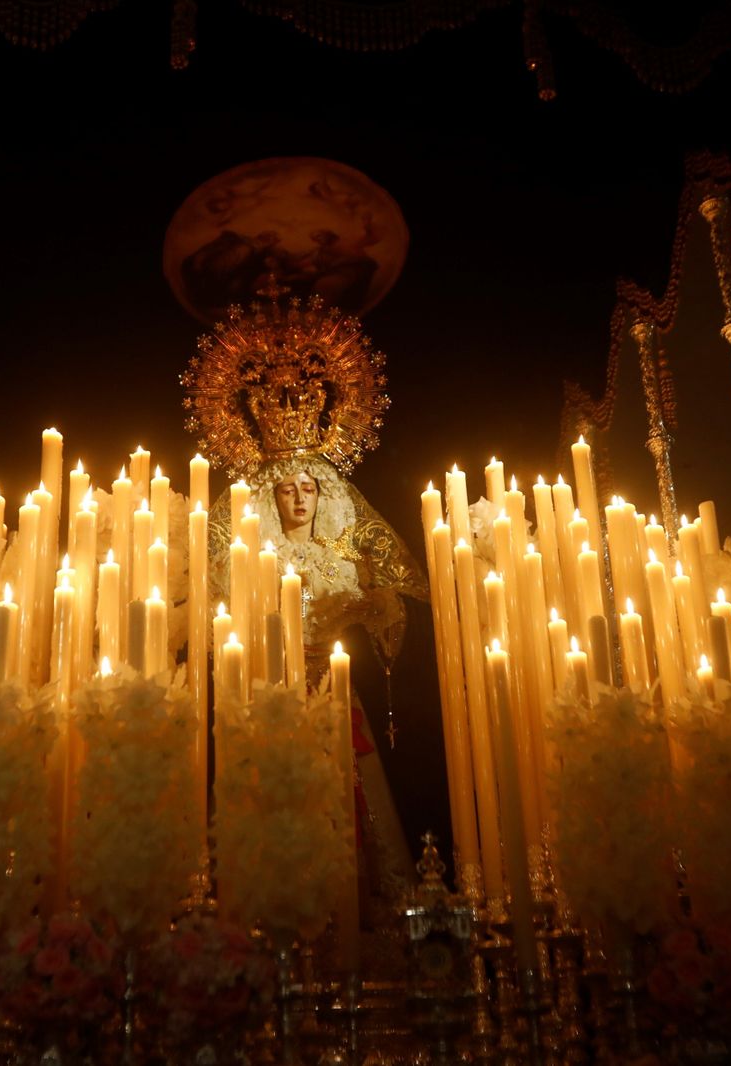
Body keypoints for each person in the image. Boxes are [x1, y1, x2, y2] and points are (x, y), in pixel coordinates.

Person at [183, 285, 428, 916]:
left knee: (352, 806)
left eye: (310, 488)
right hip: (270, 703)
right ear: (270, 497)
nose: (298, 498)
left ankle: (360, 908)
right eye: (287, 488)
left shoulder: (344, 558)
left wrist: (368, 607)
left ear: (324, 496)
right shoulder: (247, 559)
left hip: (335, 696)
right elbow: (212, 611)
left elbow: (391, 602)